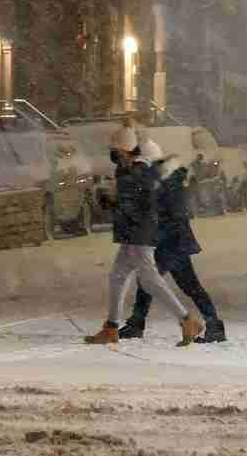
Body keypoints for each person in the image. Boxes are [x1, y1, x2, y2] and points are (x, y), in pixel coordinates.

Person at [85, 127, 204, 347]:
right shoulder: (126, 169)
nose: (112, 153)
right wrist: (112, 200)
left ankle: (188, 321)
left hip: (141, 234)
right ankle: (111, 328)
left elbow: (143, 197)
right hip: (132, 233)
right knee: (118, 277)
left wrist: (116, 198)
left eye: (115, 149)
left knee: (150, 281)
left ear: (125, 150)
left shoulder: (139, 170)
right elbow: (128, 200)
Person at [119, 141, 226, 343]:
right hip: (170, 242)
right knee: (176, 285)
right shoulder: (164, 181)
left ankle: (138, 324)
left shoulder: (169, 183)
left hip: (172, 242)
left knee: (162, 283)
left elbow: (174, 214)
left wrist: (156, 229)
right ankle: (214, 326)